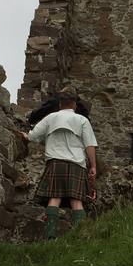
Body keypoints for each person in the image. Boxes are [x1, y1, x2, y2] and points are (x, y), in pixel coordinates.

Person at [24, 92, 97, 237]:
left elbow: (33, 137)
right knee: (76, 201)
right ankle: (80, 237)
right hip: (76, 163)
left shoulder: (51, 117)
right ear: (74, 106)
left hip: (55, 162)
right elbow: (89, 145)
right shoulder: (82, 120)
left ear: (59, 105)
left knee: (54, 198)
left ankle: (50, 236)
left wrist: (26, 136)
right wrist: (93, 166)